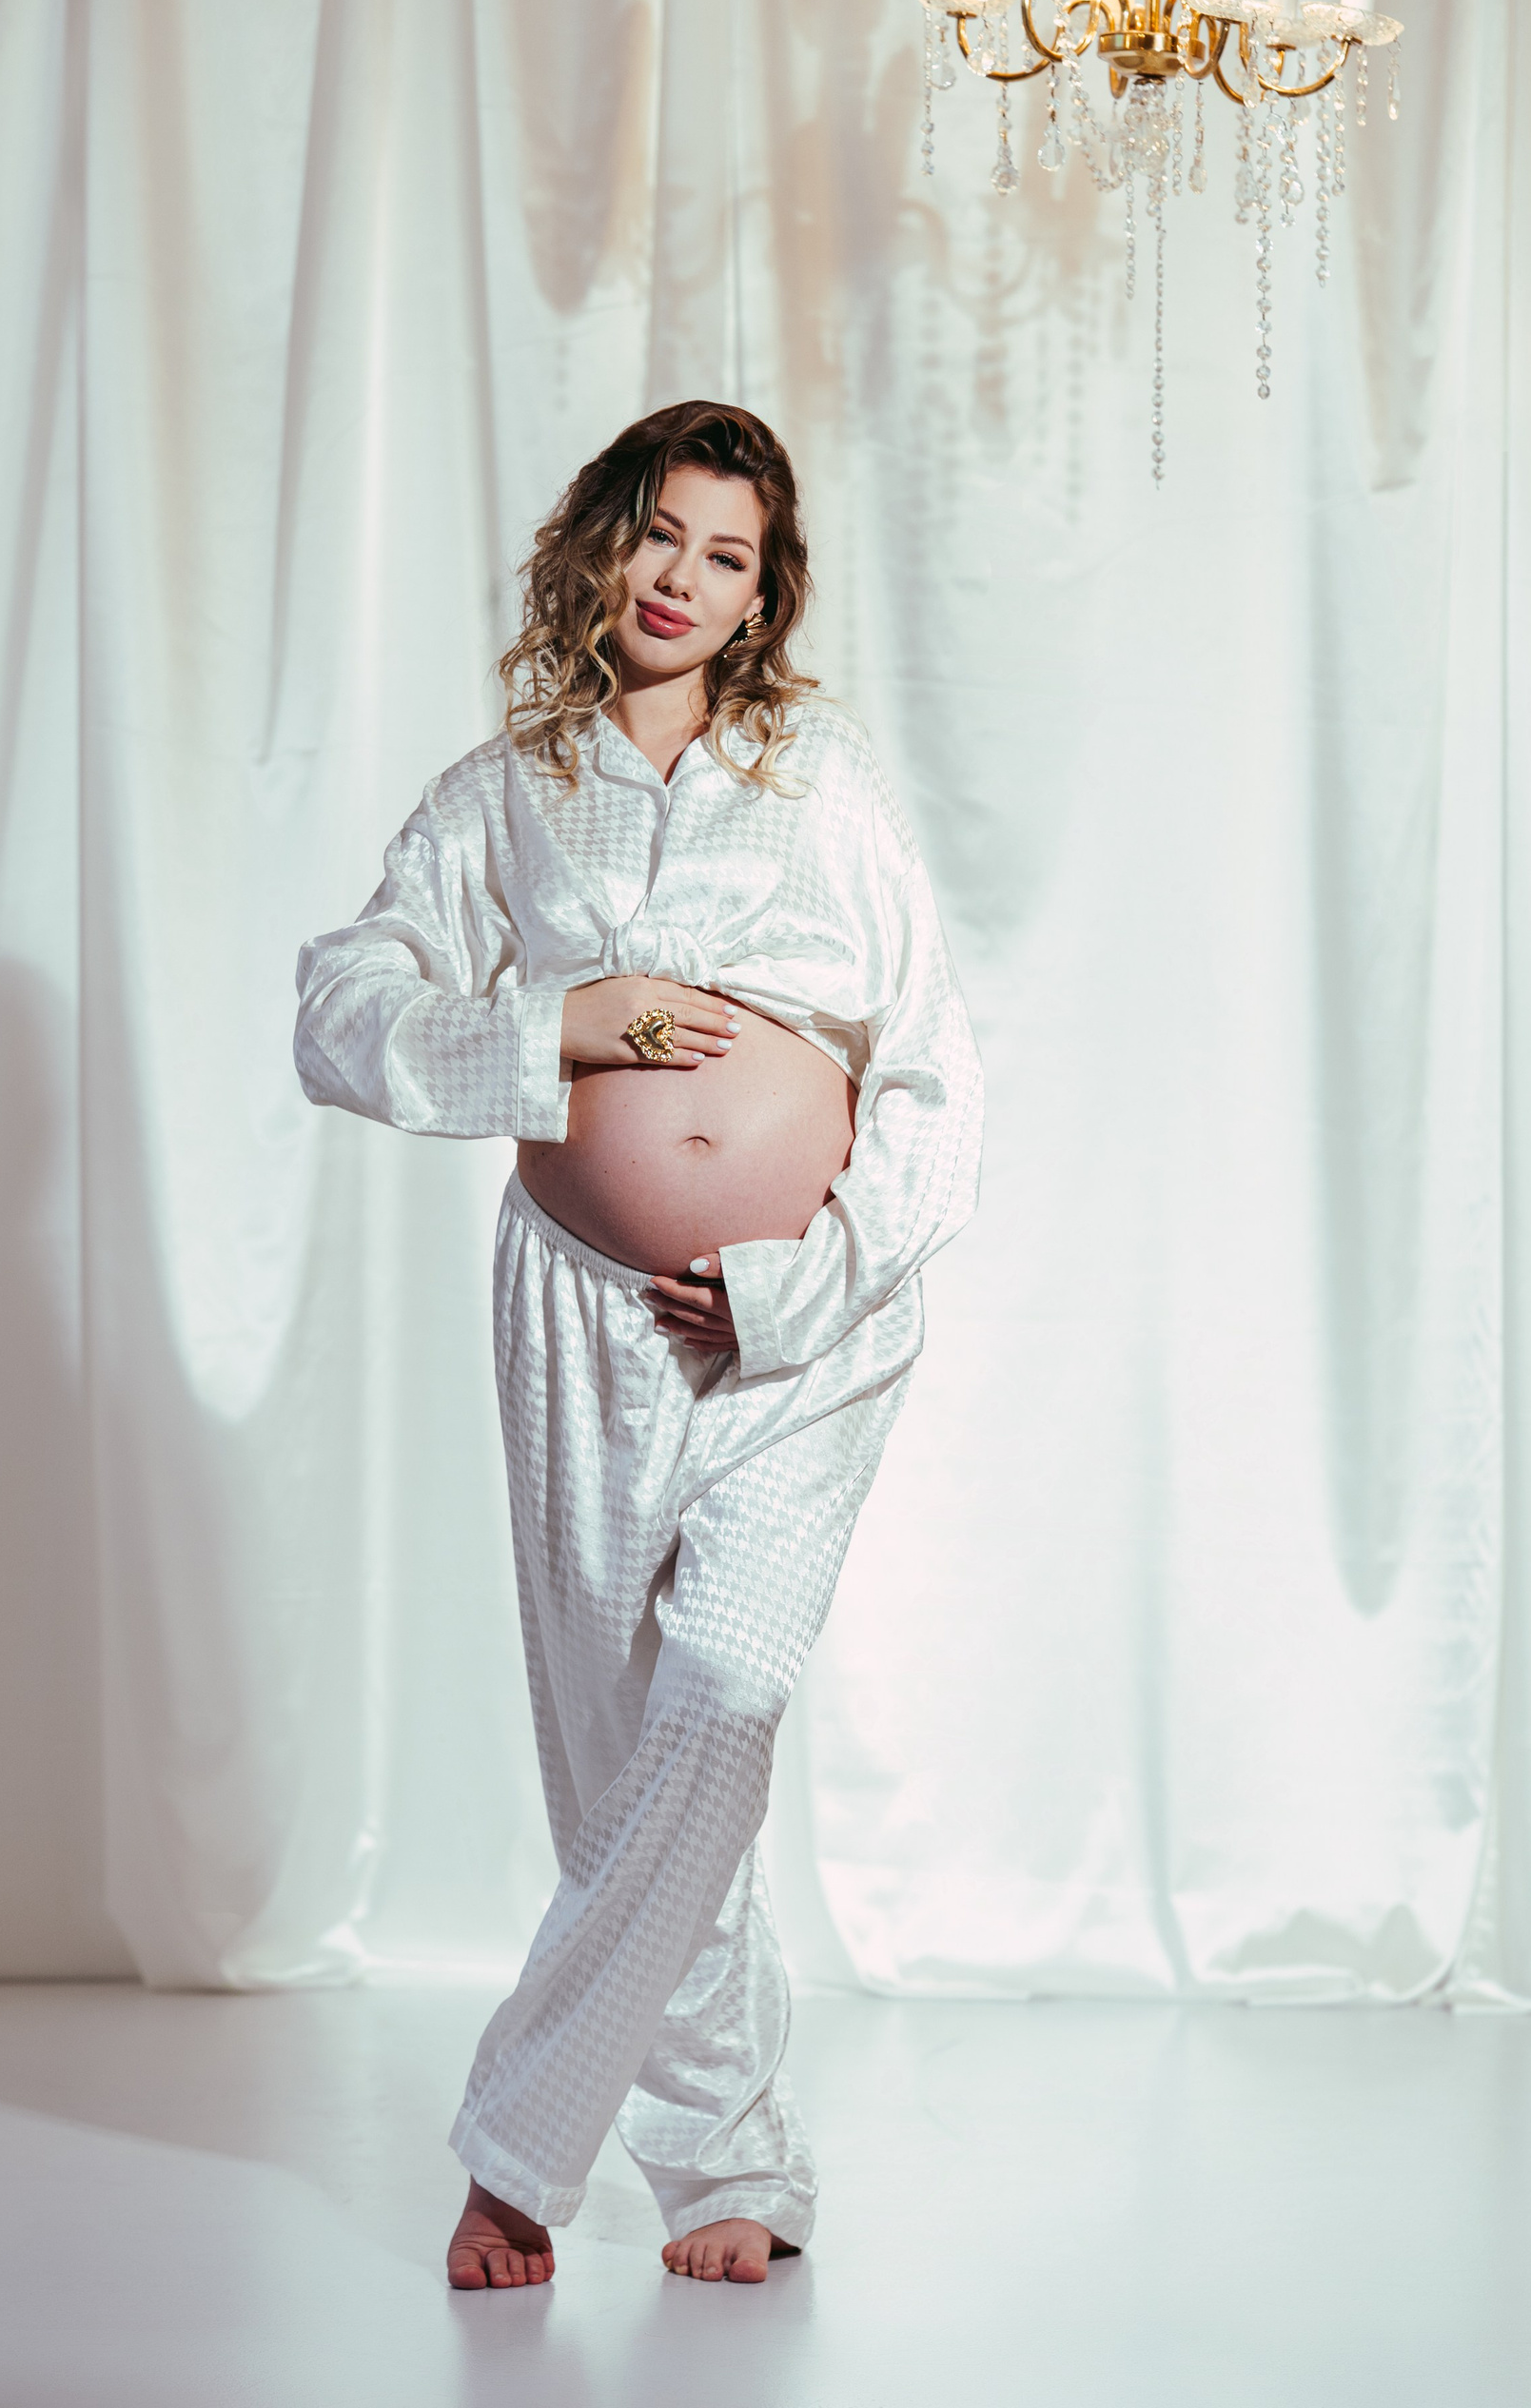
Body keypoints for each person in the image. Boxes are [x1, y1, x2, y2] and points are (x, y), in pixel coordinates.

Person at [294, 401, 983, 2290]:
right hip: (580, 1315)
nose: (684, 577)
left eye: (727, 554)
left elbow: (935, 1078)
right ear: (600, 544)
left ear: (767, 595)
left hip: (803, 1333)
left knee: (723, 1698)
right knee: (633, 1761)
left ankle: (522, 2143)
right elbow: (340, 1010)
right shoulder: (504, 791)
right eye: (660, 533)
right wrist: (556, 1026)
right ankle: (726, 2158)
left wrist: (796, 1281)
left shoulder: (817, 778)